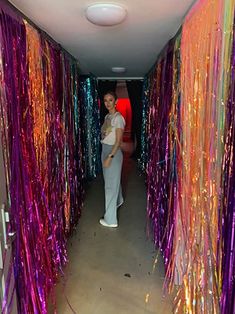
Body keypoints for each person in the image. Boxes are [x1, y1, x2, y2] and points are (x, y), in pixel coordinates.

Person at [99, 91, 125, 228]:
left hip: (112, 152)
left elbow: (118, 141)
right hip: (105, 149)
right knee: (111, 181)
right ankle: (119, 199)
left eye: (110, 100)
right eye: (105, 100)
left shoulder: (118, 118)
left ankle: (111, 220)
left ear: (116, 101)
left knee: (109, 186)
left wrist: (110, 157)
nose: (108, 103)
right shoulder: (108, 116)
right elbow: (105, 134)